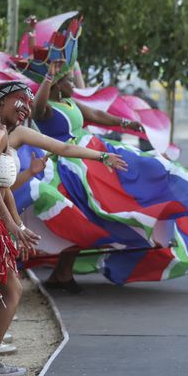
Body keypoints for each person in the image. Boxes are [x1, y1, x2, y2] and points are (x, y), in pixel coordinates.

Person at [31, 59, 143, 290]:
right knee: (80, 217)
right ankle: (62, 274)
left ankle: (62, 274)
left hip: (89, 157)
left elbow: (96, 115)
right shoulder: (48, 108)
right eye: (70, 81)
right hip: (67, 165)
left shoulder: (70, 102)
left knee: (96, 210)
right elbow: (36, 109)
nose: (74, 85)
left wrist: (127, 124)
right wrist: (49, 76)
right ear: (58, 85)